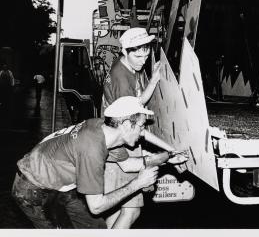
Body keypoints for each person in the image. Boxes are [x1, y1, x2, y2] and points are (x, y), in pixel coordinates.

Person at [12, 96, 186, 229]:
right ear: (126, 125)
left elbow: (128, 164)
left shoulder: (104, 130)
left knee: (97, 228)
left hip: (57, 183)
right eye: (141, 127)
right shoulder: (92, 149)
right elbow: (96, 206)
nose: (142, 133)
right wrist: (137, 184)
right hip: (31, 188)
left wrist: (168, 157)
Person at [102, 27, 161, 228]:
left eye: (146, 55)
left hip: (116, 144)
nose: (142, 60)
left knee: (119, 209)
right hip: (123, 145)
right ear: (125, 51)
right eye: (137, 55)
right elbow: (134, 121)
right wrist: (153, 83)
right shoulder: (122, 78)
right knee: (131, 209)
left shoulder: (125, 66)